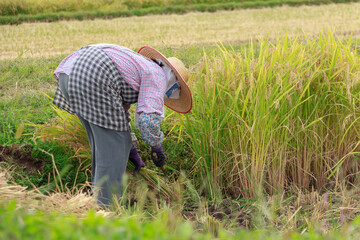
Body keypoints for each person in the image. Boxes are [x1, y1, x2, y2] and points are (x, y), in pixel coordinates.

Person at [52, 44, 192, 207]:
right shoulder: (158, 76)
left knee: (105, 145)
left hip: (70, 74)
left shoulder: (140, 66)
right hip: (93, 77)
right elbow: (148, 122)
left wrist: (130, 146)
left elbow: (119, 116)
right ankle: (104, 209)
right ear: (173, 81)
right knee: (112, 150)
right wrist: (156, 146)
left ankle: (94, 202)